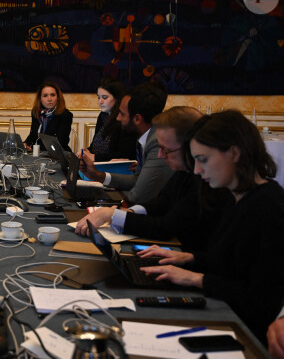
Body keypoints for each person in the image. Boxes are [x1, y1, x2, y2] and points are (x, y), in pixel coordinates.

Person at [139, 110, 284, 345]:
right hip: (223, 314)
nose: (196, 170)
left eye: (203, 159)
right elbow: (229, 263)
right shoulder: (236, 196)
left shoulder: (269, 208)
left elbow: (260, 300)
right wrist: (188, 258)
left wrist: (196, 279)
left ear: (234, 153)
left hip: (242, 334)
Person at [75, 106, 225, 252]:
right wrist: (127, 212)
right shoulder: (183, 172)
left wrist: (113, 216)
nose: (160, 155)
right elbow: (159, 204)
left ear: (189, 148)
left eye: (166, 150)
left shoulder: (204, 180)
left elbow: (166, 227)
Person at [78, 81, 173, 205]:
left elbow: (138, 196)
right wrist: (97, 175)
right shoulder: (145, 138)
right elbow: (136, 180)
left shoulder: (156, 142)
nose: (117, 118)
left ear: (137, 119)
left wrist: (111, 211)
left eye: (122, 114)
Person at [88, 77, 136, 161]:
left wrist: (94, 157)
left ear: (117, 98)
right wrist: (86, 151)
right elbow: (95, 146)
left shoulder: (124, 118)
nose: (100, 101)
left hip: (115, 169)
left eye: (105, 97)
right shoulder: (102, 115)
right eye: (99, 97)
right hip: (98, 165)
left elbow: (125, 155)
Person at [23, 81, 73, 152]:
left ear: (58, 97)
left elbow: (61, 142)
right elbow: (33, 135)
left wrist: (35, 149)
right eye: (45, 96)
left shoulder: (65, 115)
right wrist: (25, 144)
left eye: (52, 95)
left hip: (57, 155)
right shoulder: (35, 112)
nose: (49, 99)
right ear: (40, 99)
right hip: (38, 154)